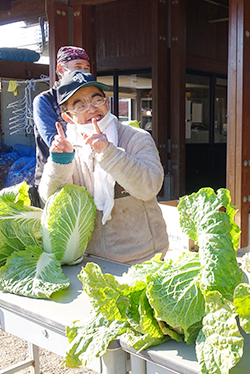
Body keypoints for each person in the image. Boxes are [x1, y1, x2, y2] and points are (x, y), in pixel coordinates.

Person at [38, 70, 169, 265]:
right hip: (90, 259)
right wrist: (60, 161)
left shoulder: (136, 138)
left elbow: (150, 186)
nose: (91, 109)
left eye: (96, 100)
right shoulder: (69, 146)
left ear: (106, 102)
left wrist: (109, 152)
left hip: (143, 256)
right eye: (80, 105)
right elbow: (49, 197)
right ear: (67, 117)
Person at [32, 46, 91, 206]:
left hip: (85, 178)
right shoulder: (44, 101)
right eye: (78, 67)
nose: (83, 72)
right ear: (60, 69)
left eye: (87, 68)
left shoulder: (88, 98)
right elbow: (54, 141)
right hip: (53, 178)